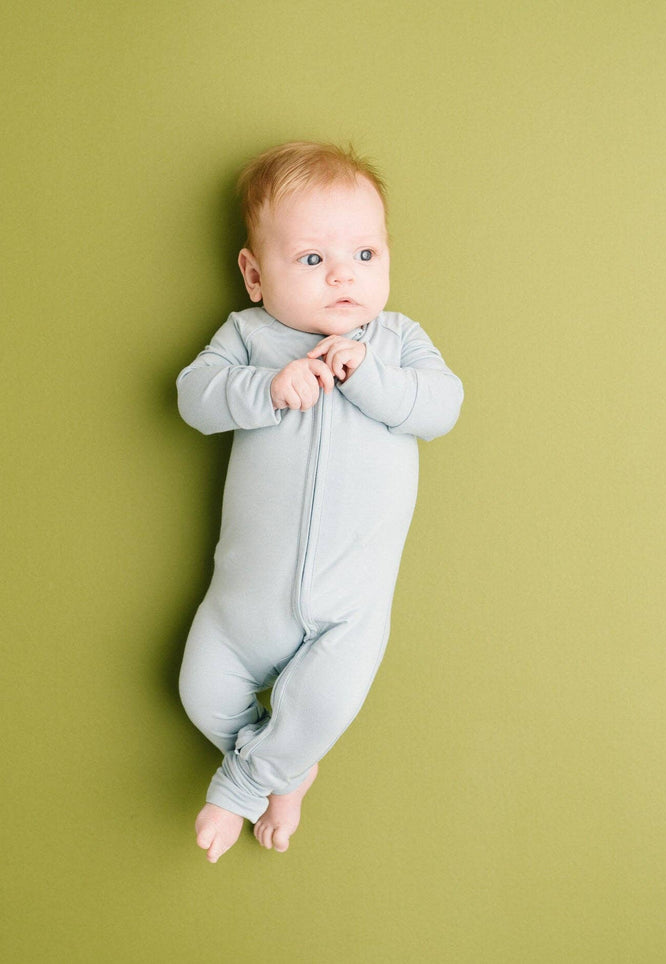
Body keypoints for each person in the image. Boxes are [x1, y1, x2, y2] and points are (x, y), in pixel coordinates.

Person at [176, 141, 463, 863]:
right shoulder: (248, 338)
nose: (343, 274)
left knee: (328, 702)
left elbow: (442, 408)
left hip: (349, 606)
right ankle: (288, 767)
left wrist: (370, 377)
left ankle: (247, 783)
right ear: (253, 275)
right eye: (311, 258)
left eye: (365, 254)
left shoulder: (395, 341)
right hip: (243, 602)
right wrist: (264, 389)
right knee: (200, 692)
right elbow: (192, 398)